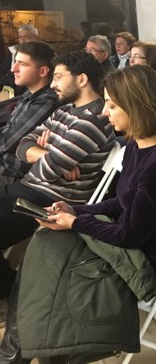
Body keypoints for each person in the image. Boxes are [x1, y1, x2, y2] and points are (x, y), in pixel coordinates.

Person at [0, 65, 156, 363]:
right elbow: (120, 202)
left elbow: (130, 236)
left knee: (51, 276)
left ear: (137, 106)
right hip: (126, 243)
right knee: (40, 254)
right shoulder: (138, 145)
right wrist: (75, 210)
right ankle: (15, 353)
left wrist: (76, 222)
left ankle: (22, 354)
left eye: (112, 106)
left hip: (144, 262)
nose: (104, 112)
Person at [0, 51, 116, 302]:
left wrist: (42, 155)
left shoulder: (94, 120)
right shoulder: (65, 110)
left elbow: (47, 171)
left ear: (82, 79)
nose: (52, 84)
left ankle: (11, 295)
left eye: (58, 77)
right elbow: (21, 145)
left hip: (51, 202)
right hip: (29, 188)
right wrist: (48, 153)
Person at [0, 42, 58, 187]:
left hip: (11, 174)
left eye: (22, 64)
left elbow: (6, 143)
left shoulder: (46, 101)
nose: (13, 69)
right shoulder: (28, 95)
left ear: (43, 71)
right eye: (15, 62)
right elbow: (7, 132)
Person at [0, 24, 40, 100]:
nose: (23, 41)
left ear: (36, 38)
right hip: (12, 92)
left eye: (27, 37)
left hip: (31, 95)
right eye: (20, 37)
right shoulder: (13, 53)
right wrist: (11, 81)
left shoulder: (43, 54)